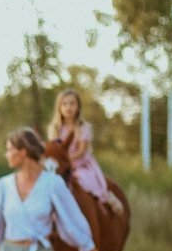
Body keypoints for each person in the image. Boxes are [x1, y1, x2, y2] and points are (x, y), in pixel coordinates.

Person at [47, 88, 124, 216]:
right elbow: (53, 150)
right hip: (60, 164)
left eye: (72, 104)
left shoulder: (83, 127)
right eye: (64, 104)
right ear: (59, 107)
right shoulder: (55, 128)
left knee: (83, 180)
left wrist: (66, 159)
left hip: (79, 163)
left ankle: (106, 197)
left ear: (78, 107)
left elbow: (82, 151)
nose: (68, 107)